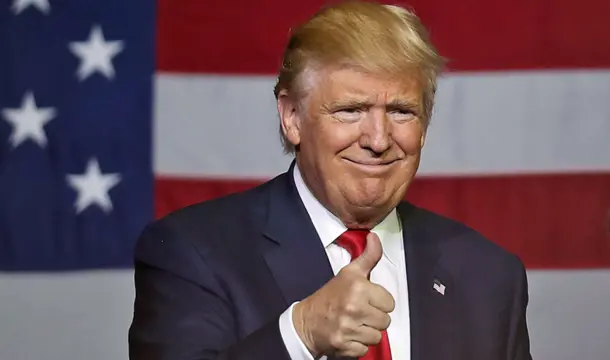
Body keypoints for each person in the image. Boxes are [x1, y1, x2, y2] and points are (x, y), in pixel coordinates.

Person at [128, 1, 533, 359]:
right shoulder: (193, 253)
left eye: (402, 112)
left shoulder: (490, 274)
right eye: (350, 110)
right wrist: (300, 333)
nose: (378, 139)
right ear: (292, 118)